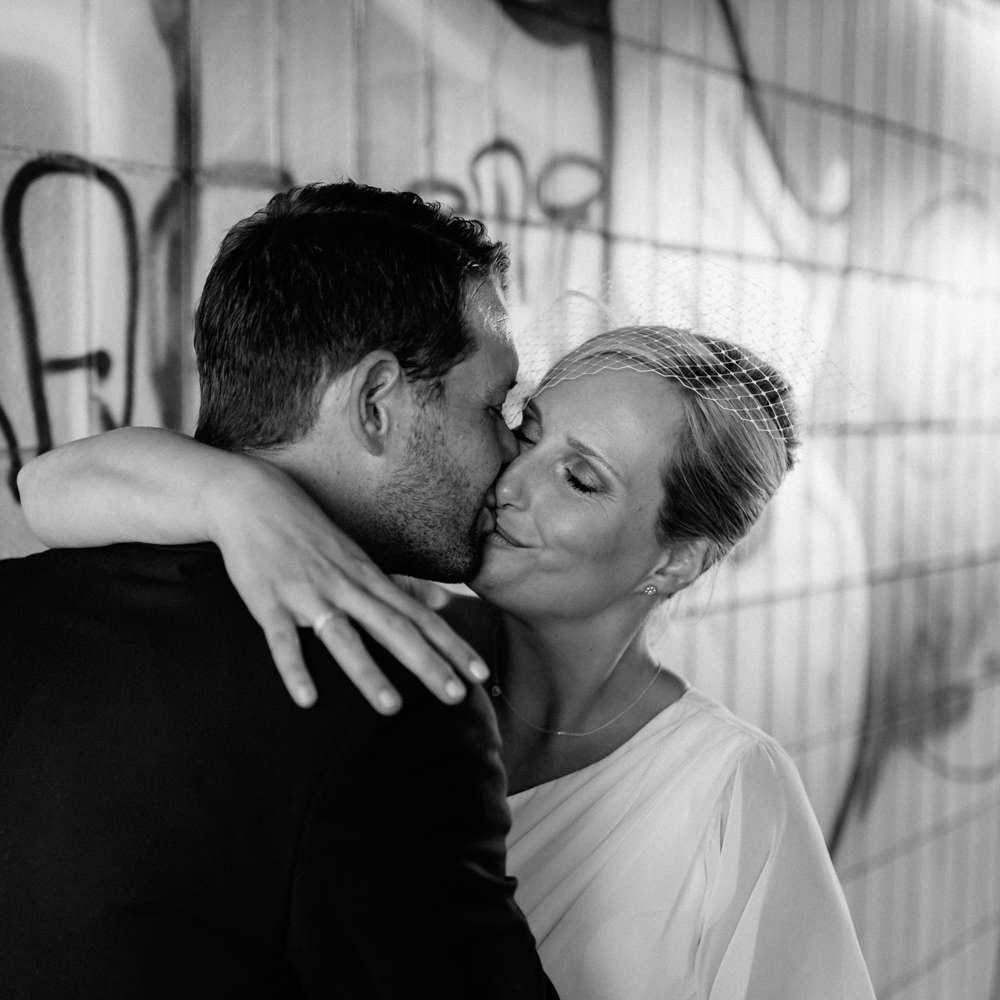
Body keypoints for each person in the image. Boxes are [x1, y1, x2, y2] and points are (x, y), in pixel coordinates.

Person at [20, 323, 877, 998]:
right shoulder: (387, 633)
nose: (511, 485)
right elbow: (47, 490)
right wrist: (238, 495)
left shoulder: (729, 789)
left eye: (579, 480)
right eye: (525, 431)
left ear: (674, 562)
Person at [1, 181, 560, 998]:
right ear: (376, 404)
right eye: (494, 405)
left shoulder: (21, 601)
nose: (512, 454)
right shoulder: (388, 693)